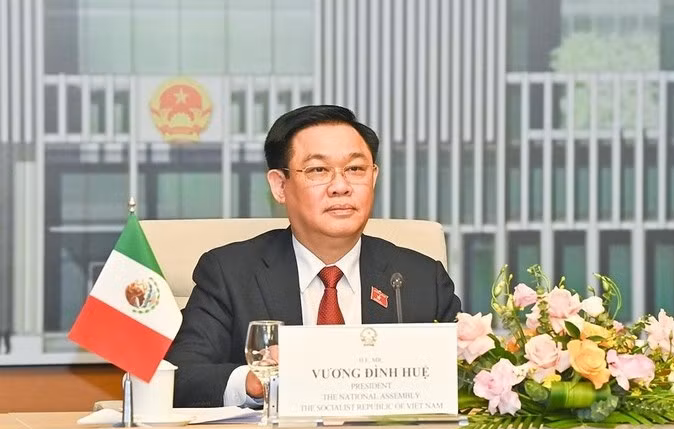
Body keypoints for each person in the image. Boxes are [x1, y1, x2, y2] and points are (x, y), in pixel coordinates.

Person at [165, 105, 462, 408]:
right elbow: (179, 377)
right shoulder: (230, 273)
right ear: (280, 186)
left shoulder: (421, 279)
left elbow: (467, 379)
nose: (341, 187)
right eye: (318, 170)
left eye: (355, 169)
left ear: (373, 178)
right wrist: (253, 381)